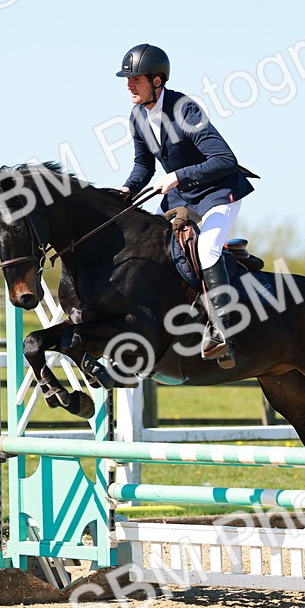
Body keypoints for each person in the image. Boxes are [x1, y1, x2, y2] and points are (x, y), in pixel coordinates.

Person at [116, 43, 253, 366]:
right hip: (182, 198)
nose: (129, 85)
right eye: (128, 79)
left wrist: (176, 176)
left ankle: (223, 330)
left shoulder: (185, 110)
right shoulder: (137, 116)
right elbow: (144, 167)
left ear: (157, 81)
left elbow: (224, 159)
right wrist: (126, 190)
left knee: (206, 248)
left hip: (219, 192)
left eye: (135, 79)